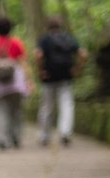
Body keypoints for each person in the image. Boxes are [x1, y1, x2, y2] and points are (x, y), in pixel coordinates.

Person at [0, 16, 33, 150]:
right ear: (10, 28)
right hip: (16, 82)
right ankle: (15, 137)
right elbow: (24, 62)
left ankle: (0, 138)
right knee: (16, 110)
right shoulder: (16, 43)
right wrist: (29, 80)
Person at [35, 16, 88, 147]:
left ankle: (44, 135)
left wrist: (40, 70)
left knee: (47, 107)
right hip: (66, 77)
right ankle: (65, 133)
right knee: (67, 105)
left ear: (48, 27)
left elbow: (38, 55)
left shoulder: (45, 39)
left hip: (49, 77)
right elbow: (83, 54)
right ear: (60, 26)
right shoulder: (68, 38)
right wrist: (77, 69)